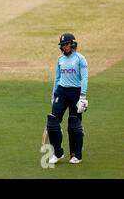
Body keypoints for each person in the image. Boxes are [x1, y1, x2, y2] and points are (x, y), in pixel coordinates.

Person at [46, 33, 89, 164]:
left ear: (72, 44)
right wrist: (54, 94)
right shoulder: (60, 59)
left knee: (74, 124)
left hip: (75, 92)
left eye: (66, 44)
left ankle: (76, 155)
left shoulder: (80, 59)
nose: (65, 47)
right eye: (63, 45)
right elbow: (57, 77)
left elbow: (84, 78)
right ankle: (57, 153)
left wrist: (83, 96)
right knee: (52, 123)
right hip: (61, 92)